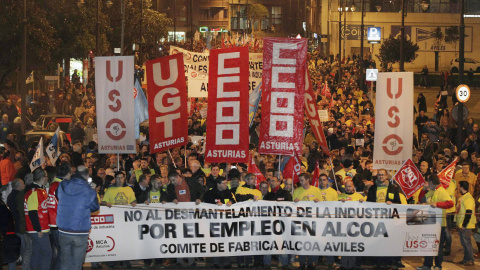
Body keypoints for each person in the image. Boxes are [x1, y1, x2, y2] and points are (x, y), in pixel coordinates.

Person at [57, 165, 99, 270]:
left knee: (64, 263)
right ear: (87, 175)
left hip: (63, 230)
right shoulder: (89, 190)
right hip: (80, 231)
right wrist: (93, 190)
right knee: (76, 264)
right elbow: (95, 208)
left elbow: (58, 196)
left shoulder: (62, 185)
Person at [416, 174, 453, 270]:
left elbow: (450, 203)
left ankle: (437, 265)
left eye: (428, 182)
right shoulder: (432, 191)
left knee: (438, 246)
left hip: (439, 224)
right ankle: (427, 265)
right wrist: (423, 190)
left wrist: (437, 204)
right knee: (428, 245)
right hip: (429, 223)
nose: (427, 184)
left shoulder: (441, 191)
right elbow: (421, 200)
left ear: (431, 182)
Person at [203, 178, 236, 269]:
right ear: (218, 184)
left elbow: (234, 200)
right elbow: (206, 202)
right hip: (214, 221)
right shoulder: (210, 193)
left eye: (226, 183)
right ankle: (216, 262)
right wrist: (216, 203)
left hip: (226, 221)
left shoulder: (227, 192)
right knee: (216, 242)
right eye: (224, 183)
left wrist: (231, 202)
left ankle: (226, 262)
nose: (226, 185)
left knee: (226, 242)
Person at [24, 168, 52, 270]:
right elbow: (32, 213)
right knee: (47, 253)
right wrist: (38, 229)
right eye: (46, 176)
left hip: (39, 228)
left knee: (37, 252)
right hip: (38, 229)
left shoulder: (38, 190)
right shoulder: (34, 192)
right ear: (43, 178)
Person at [293, 173, 321, 270]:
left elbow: (322, 206)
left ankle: (311, 262)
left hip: (313, 222)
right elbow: (292, 207)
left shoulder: (316, 190)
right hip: (300, 222)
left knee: (312, 242)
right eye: (300, 180)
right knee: (301, 242)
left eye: (302, 180)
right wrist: (295, 202)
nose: (300, 182)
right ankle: (301, 263)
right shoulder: (297, 191)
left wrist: (318, 202)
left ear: (308, 179)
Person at [47, 162, 71, 270]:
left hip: (51, 223)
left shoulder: (52, 184)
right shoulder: (61, 186)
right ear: (68, 173)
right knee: (62, 254)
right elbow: (65, 204)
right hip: (58, 224)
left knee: (56, 253)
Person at [455, 181, 475, 266]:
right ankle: (466, 259)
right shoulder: (462, 197)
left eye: (458, 187)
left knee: (467, 243)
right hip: (461, 225)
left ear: (462, 188)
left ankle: (470, 259)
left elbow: (469, 212)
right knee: (464, 243)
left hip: (466, 226)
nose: (458, 189)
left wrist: (464, 225)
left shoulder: (468, 198)